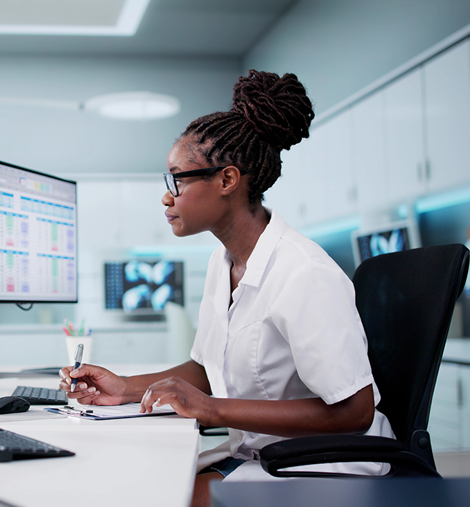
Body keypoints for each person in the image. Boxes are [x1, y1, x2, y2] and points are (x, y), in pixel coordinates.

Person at [59, 70, 394, 507]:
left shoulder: (305, 273)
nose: (167, 197)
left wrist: (212, 408)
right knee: (138, 482)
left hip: (329, 465)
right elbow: (205, 369)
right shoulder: (225, 263)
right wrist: (123, 388)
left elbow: (355, 411)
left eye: (177, 179)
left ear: (226, 180)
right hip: (264, 453)